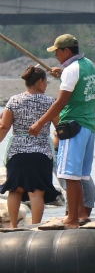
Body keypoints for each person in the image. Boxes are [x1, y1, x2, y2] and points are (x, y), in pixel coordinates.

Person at [29, 34, 95, 229]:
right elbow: (79, 87)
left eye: (57, 52)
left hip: (72, 126)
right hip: (88, 126)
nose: (56, 56)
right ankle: (80, 216)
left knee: (70, 175)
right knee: (81, 175)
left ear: (66, 51)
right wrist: (63, 74)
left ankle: (72, 218)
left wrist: (40, 123)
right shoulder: (88, 64)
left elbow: (60, 102)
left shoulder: (71, 70)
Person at [0, 66, 60, 228]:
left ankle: (13, 226)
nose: (46, 84)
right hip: (41, 153)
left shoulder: (14, 100)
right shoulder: (50, 102)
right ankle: (35, 226)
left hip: (17, 152)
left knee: (15, 190)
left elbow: (4, 127)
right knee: (37, 191)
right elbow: (59, 127)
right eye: (46, 81)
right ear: (40, 82)